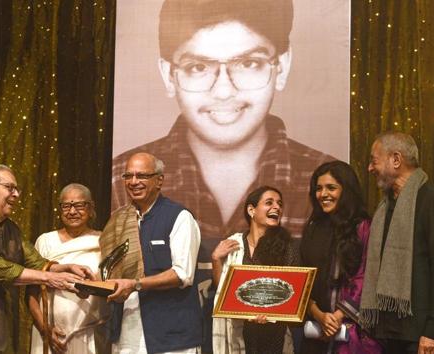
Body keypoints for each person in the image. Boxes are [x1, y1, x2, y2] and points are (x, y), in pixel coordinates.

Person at [110, 3, 332, 348]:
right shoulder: (118, 177)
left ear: (282, 66)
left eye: (249, 63)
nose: (224, 90)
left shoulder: (320, 180)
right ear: (169, 74)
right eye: (198, 66)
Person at [0, 164, 95, 354]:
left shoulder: (11, 229)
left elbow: (37, 262)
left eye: (16, 189)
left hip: (2, 334)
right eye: (9, 188)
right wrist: (48, 278)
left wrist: (66, 268)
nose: (16, 195)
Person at [360, 132, 434, 353]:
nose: (370, 168)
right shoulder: (385, 207)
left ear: (396, 160)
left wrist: (433, 330)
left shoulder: (433, 199)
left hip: (427, 338)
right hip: (394, 335)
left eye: (374, 160)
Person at [101, 152, 202, 353]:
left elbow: (182, 274)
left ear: (159, 181)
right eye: (128, 176)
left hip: (171, 334)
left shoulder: (178, 217)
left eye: (142, 176)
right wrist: (94, 283)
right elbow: (110, 272)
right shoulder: (119, 220)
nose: (133, 182)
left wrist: (136, 283)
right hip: (127, 331)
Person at [299, 161, 382, 353]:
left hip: (352, 332)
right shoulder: (312, 229)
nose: (323, 194)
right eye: (318, 189)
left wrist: (338, 315)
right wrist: (318, 314)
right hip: (316, 330)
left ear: (347, 191)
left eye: (331, 188)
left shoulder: (363, 227)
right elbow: (303, 277)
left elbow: (368, 274)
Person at [211, 185, 299, 354]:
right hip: (239, 331)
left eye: (279, 204)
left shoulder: (287, 247)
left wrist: (268, 311)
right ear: (251, 210)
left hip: (274, 333)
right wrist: (216, 259)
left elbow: (292, 292)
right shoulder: (234, 244)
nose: (277, 207)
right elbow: (221, 293)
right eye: (269, 203)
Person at [28, 183, 107, 354]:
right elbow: (31, 292)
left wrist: (90, 288)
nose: (72, 212)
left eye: (79, 205)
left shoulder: (102, 241)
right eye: (66, 206)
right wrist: (45, 328)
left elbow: (108, 287)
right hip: (47, 334)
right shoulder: (45, 241)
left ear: (91, 207)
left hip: (86, 332)